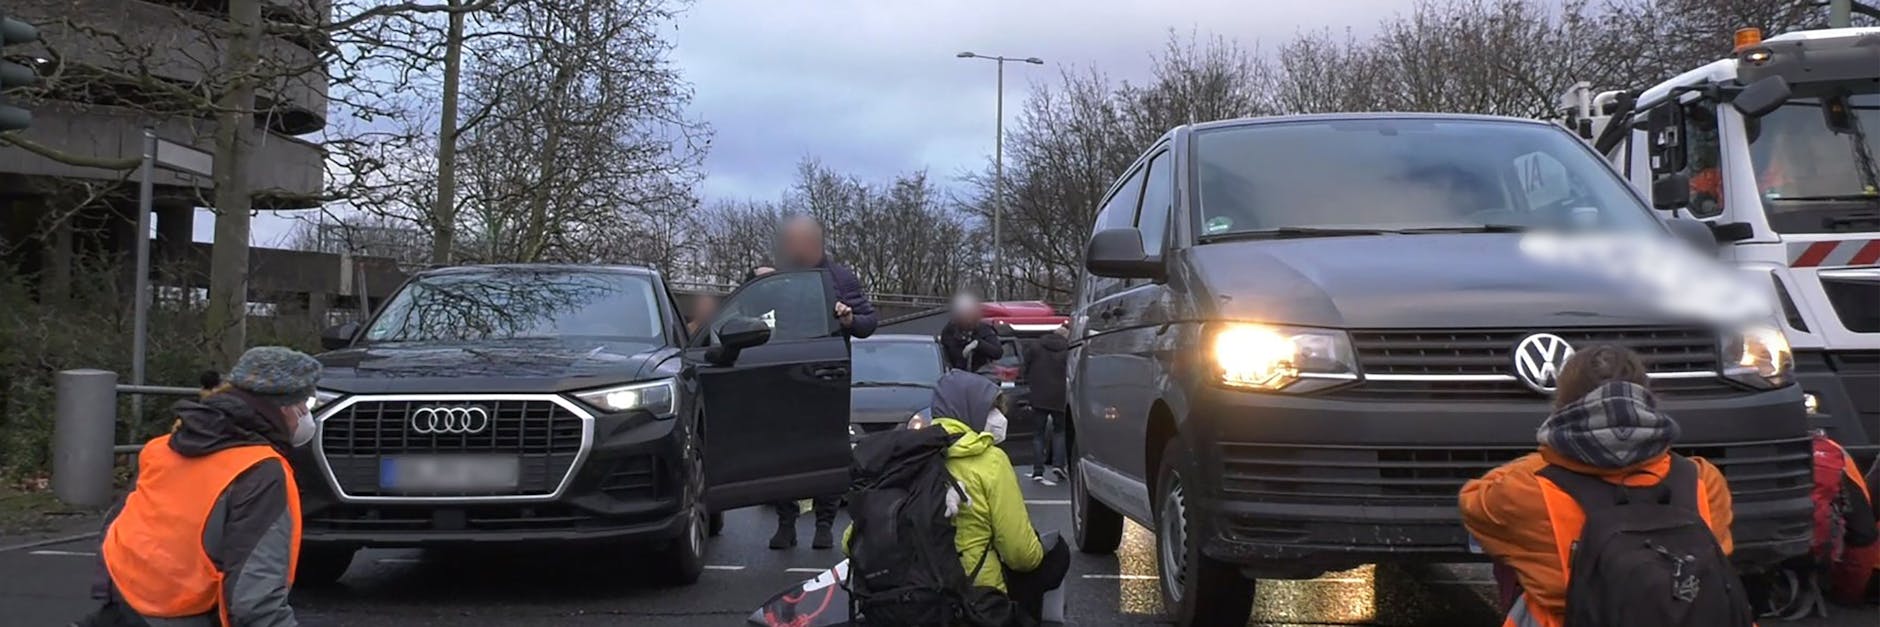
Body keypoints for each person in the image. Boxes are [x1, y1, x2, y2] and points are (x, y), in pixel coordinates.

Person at [1460, 345, 1743, 627]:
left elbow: (1473, 504)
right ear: (1648, 401)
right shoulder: (1703, 480)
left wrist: (1554, 453)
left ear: (1562, 405)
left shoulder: (1526, 492)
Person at [80, 346, 322, 627]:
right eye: (305, 405)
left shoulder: (163, 447)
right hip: (190, 614)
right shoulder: (262, 471)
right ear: (283, 408)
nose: (307, 415)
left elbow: (117, 526)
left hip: (123, 609)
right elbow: (256, 601)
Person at [846, 371, 1070, 624]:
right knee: (1057, 553)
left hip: (896, 600)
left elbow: (851, 540)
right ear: (970, 411)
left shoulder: (902, 457)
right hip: (972, 602)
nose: (1000, 419)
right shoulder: (990, 461)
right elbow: (1020, 554)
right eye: (991, 411)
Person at [758, 215, 878, 551]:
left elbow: (869, 321)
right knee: (782, 454)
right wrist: (754, 281)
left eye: (797, 241)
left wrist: (850, 318)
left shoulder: (841, 278)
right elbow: (750, 309)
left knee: (827, 453)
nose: (791, 248)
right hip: (784, 375)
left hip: (828, 377)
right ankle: (786, 523)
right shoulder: (780, 278)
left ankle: (824, 525)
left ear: (814, 242)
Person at [1021, 323, 1070, 485]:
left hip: (1039, 395)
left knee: (1038, 434)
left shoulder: (1036, 347)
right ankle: (1058, 464)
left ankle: (1037, 470)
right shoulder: (1068, 350)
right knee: (1060, 431)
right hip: (1060, 396)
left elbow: (1024, 367)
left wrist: (1029, 383)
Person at [938, 293, 1001, 373]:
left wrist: (977, 344)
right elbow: (952, 356)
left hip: (982, 375)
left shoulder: (983, 328)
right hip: (956, 375)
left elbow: (997, 352)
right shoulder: (950, 331)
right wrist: (965, 353)